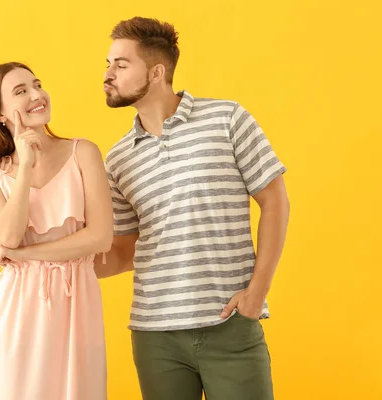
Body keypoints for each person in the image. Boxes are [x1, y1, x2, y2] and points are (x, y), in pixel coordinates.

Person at [94, 17, 290, 400]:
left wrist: (257, 292)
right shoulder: (117, 160)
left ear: (156, 72)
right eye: (108, 63)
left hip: (229, 325)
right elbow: (125, 250)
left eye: (120, 64)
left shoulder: (227, 118)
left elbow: (275, 201)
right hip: (155, 337)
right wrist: (47, 263)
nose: (108, 74)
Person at [0, 62, 113, 400]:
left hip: (78, 305)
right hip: (17, 311)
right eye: (21, 91)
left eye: (37, 85)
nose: (37, 95)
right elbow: (10, 236)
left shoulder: (83, 153)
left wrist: (24, 255)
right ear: (0, 114)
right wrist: (26, 164)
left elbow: (100, 237)